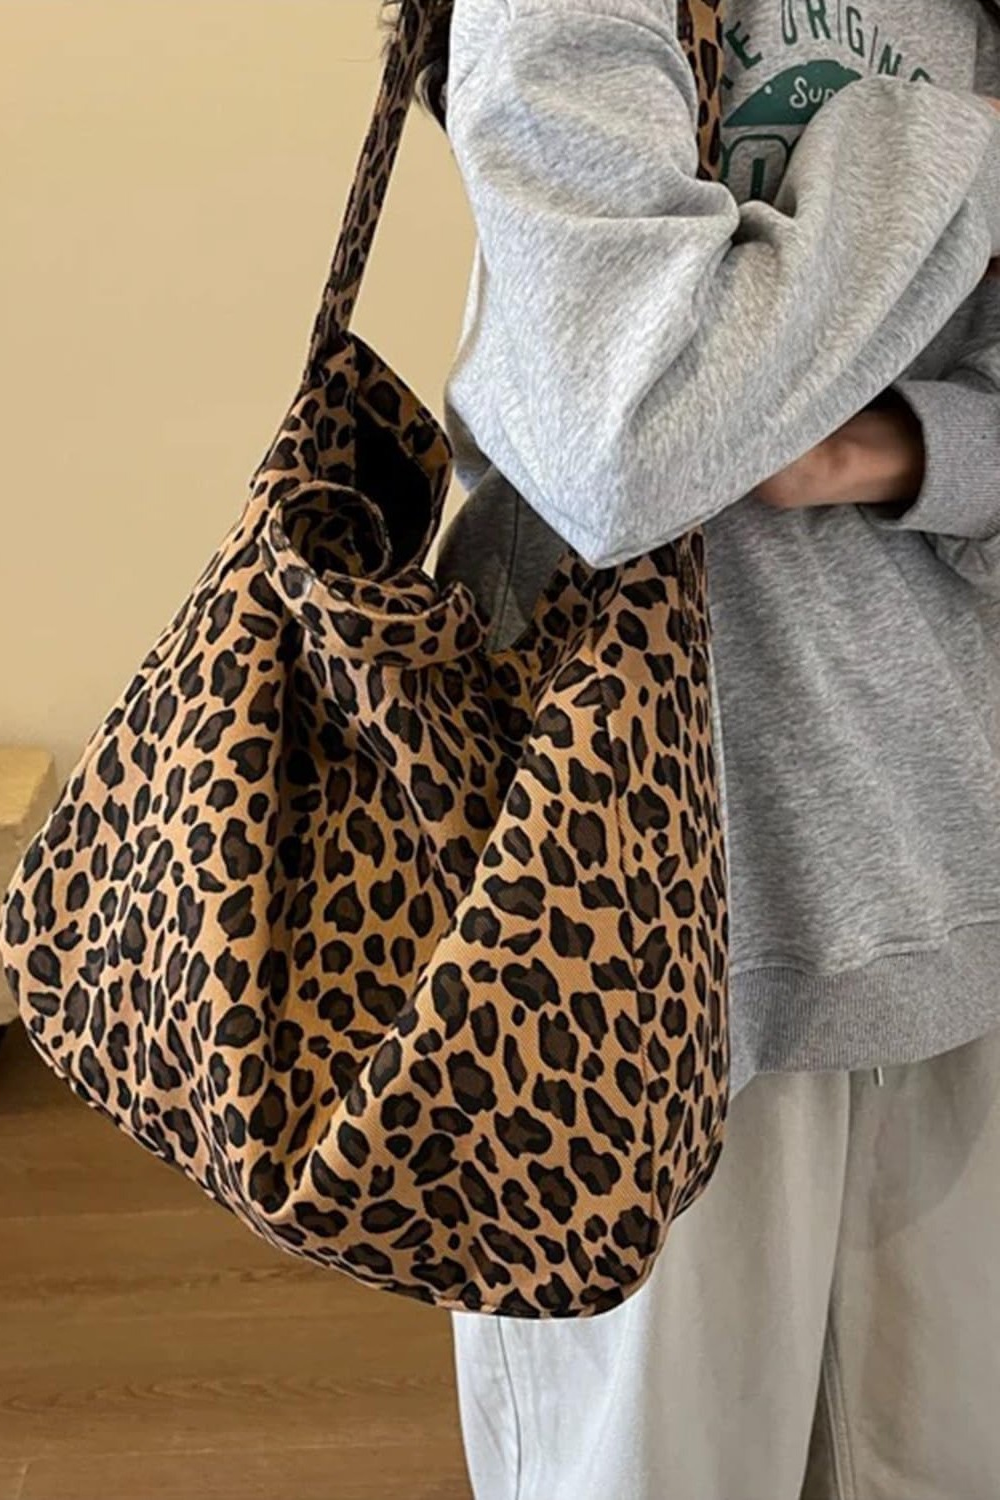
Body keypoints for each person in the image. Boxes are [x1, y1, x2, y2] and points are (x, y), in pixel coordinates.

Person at [377, 0, 1000, 1495]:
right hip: (619, 941)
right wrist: (942, 151)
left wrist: (900, 447)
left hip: (957, 876)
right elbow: (625, 437)